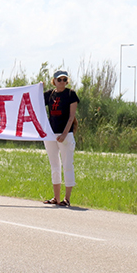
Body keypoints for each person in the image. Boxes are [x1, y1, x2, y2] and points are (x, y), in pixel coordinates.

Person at [43, 69, 79, 207]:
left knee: (67, 165)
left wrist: (65, 133)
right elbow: (34, 100)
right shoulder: (49, 95)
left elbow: (71, 117)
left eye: (65, 80)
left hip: (66, 134)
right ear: (54, 81)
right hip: (51, 134)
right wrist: (39, 86)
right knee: (55, 165)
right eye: (59, 80)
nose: (62, 82)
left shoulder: (71, 94)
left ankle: (67, 198)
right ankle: (56, 198)